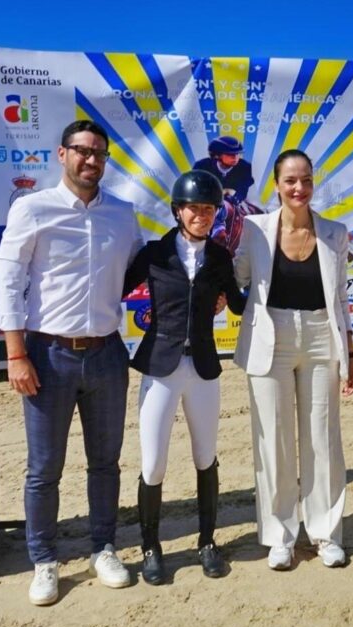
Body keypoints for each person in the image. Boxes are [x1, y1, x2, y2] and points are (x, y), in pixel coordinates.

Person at [0, 120, 143, 605]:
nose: (91, 160)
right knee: (44, 468)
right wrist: (16, 353)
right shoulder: (32, 209)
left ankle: (103, 548)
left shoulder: (124, 215)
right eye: (82, 151)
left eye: (99, 152)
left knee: (105, 464)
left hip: (106, 354)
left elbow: (147, 272)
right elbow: (9, 283)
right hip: (46, 355)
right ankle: (43, 559)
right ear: (62, 154)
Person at [233, 149, 353, 570]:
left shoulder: (335, 233)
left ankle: (325, 533)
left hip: (323, 335)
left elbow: (342, 296)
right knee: (274, 440)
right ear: (276, 184)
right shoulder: (253, 230)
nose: (299, 188)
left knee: (323, 438)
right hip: (271, 336)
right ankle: (280, 536)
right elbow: (238, 282)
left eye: (305, 180)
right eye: (290, 181)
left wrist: (351, 353)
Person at [122, 170, 246, 585]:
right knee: (154, 462)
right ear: (178, 211)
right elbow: (114, 288)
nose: (201, 216)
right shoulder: (155, 254)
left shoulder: (220, 257)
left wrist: (245, 290)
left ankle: (208, 542)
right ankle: (151, 548)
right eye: (194, 208)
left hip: (204, 369)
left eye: (209, 210)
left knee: (205, 456)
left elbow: (238, 304)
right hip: (160, 366)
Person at [193, 136, 255, 203]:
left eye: (237, 154)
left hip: (235, 203)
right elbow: (197, 189)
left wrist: (234, 198)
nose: (235, 157)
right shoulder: (201, 166)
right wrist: (224, 191)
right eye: (230, 154)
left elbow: (242, 190)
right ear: (217, 155)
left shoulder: (245, 167)